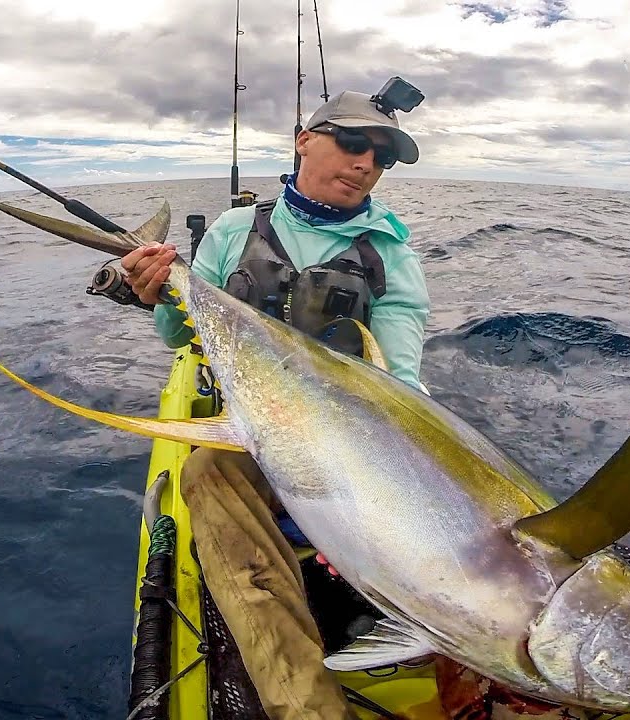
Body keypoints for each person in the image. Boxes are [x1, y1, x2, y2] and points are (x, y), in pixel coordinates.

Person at [119, 88, 429, 720]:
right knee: (206, 469)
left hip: (345, 433)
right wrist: (157, 293)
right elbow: (182, 336)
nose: (365, 163)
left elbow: (400, 374)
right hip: (253, 421)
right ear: (303, 140)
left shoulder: (392, 252)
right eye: (351, 143)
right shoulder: (235, 231)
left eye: (381, 156)